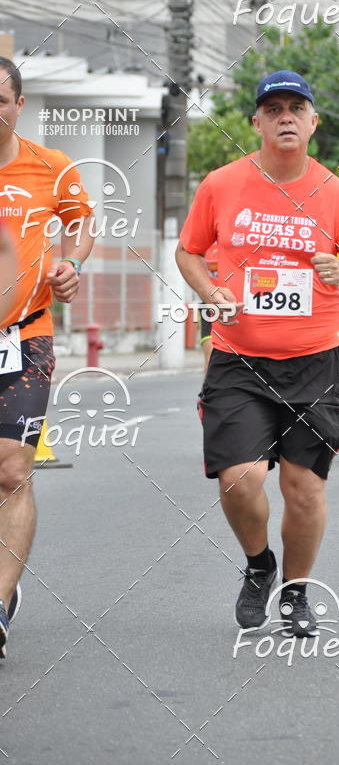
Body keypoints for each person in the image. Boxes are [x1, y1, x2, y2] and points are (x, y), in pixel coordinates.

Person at [176, 70, 339, 634]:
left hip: (313, 363)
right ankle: (258, 565)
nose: (286, 117)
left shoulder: (335, 193)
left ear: (314, 122)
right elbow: (189, 252)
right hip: (238, 358)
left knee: (304, 490)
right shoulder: (221, 185)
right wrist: (209, 290)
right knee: (239, 478)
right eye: (274, 109)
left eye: (297, 108)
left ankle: (296, 591)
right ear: (257, 122)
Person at [0, 57, 94, 658]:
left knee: (11, 471)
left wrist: (72, 263)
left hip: (25, 337)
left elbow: (82, 223)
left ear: (18, 105)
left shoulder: (49, 166)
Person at [199, 241, 218, 371]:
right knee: (211, 355)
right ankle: (207, 390)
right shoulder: (204, 246)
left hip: (235, 305)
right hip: (208, 306)